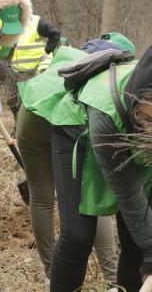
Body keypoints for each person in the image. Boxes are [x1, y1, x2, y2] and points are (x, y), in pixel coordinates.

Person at [17, 35, 134, 286]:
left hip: (31, 115)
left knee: (41, 197)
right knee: (91, 195)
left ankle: (52, 271)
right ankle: (112, 277)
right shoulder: (112, 78)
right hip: (69, 118)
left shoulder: (68, 57)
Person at [74, 44, 152, 291]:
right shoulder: (106, 111)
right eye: (149, 119)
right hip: (87, 132)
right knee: (132, 241)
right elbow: (128, 192)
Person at [0, 0, 61, 123]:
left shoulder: (36, 22)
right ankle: (18, 124)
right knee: (12, 101)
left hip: (30, 71)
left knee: (25, 102)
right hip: (12, 69)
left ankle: (22, 129)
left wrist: (46, 52)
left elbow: (55, 35)